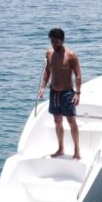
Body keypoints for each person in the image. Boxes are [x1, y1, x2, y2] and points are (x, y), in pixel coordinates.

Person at [38, 27, 82, 160]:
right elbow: (47, 71)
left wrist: (78, 93)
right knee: (57, 121)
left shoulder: (71, 55)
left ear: (62, 41)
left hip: (67, 93)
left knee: (71, 120)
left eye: (57, 42)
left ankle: (77, 150)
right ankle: (61, 148)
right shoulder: (49, 53)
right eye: (52, 42)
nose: (54, 44)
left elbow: (78, 75)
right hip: (54, 93)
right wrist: (43, 87)